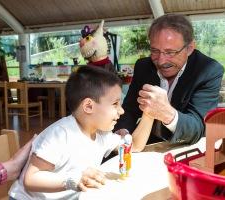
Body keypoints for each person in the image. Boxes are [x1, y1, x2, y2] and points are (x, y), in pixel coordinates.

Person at [9, 66, 153, 200]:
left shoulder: (103, 134)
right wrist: (74, 179)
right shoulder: (59, 135)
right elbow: (31, 179)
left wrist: (149, 114)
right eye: (115, 104)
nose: (121, 111)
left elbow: (134, 146)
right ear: (89, 106)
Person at [114, 14, 224, 144]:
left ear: (189, 48)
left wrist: (167, 113)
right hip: (148, 145)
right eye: (155, 51)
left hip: (185, 146)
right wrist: (123, 131)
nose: (161, 61)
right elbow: (130, 109)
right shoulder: (143, 66)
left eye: (170, 52)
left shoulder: (208, 71)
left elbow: (198, 127)